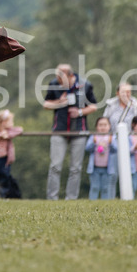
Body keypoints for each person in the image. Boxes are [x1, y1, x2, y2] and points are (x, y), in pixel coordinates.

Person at [43, 63, 98, 200]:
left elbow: (93, 106)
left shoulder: (85, 85)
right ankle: (52, 198)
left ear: (70, 75)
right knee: (55, 166)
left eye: (61, 78)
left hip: (79, 130)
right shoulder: (54, 84)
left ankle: (71, 198)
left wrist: (79, 112)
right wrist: (60, 102)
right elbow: (46, 104)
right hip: (59, 130)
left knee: (75, 168)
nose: (58, 80)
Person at [101, 81, 137, 195]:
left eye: (128, 92)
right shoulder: (111, 105)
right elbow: (105, 121)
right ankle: (109, 199)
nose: (126, 95)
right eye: (123, 92)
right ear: (117, 93)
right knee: (112, 173)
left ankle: (130, 198)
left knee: (132, 173)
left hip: (132, 142)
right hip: (114, 142)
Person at [85, 116, 116, 200]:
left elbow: (115, 150)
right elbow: (87, 148)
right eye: (100, 125)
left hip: (107, 168)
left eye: (105, 125)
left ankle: (105, 204)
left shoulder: (111, 137)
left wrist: (110, 143)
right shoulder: (94, 137)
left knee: (105, 188)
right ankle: (92, 202)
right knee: (94, 187)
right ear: (96, 127)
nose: (103, 127)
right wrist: (94, 143)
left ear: (109, 126)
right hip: (95, 168)